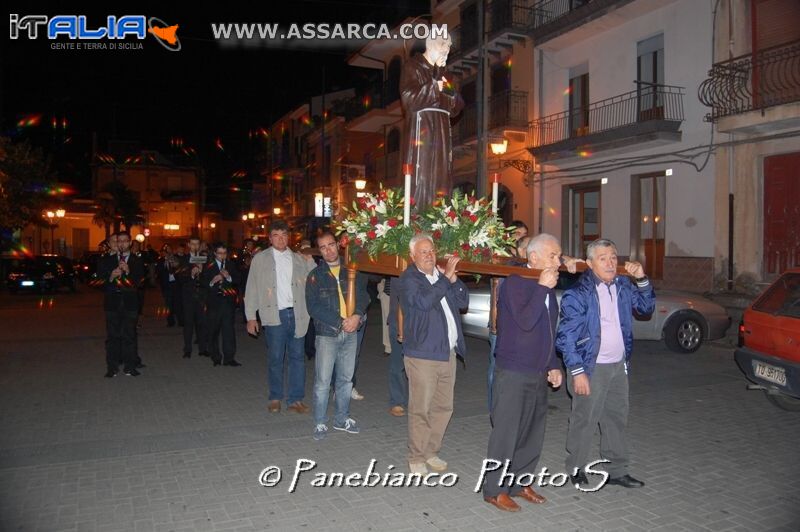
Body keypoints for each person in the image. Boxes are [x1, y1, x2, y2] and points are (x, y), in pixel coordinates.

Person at [556, 238, 655, 489]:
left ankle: (617, 469)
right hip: (590, 367)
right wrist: (577, 371)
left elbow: (646, 308)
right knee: (584, 418)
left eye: (613, 257)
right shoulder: (578, 293)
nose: (610, 263)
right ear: (590, 263)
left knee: (616, 418)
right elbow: (565, 337)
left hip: (617, 365)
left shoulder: (623, 285)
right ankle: (576, 467)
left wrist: (641, 279)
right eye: (603, 258)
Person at [482, 234, 564, 512]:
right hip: (514, 370)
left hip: (538, 371)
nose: (558, 261)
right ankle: (495, 490)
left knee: (532, 432)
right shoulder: (516, 282)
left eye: (559, 256)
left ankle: (520, 483)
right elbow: (526, 322)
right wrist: (541, 288)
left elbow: (548, 330)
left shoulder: (548, 287)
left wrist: (553, 364)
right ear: (534, 257)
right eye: (553, 256)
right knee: (507, 433)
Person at [399, 233, 469, 474]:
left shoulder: (441, 276)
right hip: (422, 356)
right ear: (412, 256)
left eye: (431, 251)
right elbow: (423, 302)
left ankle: (431, 451)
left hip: (447, 353)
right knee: (421, 408)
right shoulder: (409, 279)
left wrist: (455, 281)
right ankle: (416, 456)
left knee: (443, 407)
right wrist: (445, 281)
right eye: (423, 252)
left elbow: (462, 302)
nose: (429, 256)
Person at [245, 219, 316, 414]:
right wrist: (251, 316)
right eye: (276, 235)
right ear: (270, 238)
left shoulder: (298, 258)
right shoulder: (260, 259)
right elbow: (251, 288)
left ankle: (296, 399)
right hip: (274, 315)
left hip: (297, 315)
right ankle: (275, 397)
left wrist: (311, 262)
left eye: (284, 235)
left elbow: (314, 281)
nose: (280, 239)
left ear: (289, 237)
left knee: (297, 358)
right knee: (275, 358)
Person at [305, 231, 369, 440]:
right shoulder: (315, 276)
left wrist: (357, 316)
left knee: (345, 380)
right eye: (323, 247)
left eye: (331, 245)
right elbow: (313, 307)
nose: (328, 250)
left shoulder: (351, 270)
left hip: (351, 333)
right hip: (327, 335)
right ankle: (320, 422)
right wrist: (341, 321)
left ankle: (342, 419)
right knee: (323, 382)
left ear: (338, 246)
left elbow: (364, 296)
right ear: (319, 251)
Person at [400, 32, 464, 208]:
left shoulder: (446, 75)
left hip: (442, 130)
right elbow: (408, 98)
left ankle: (440, 210)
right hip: (422, 128)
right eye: (443, 44)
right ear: (430, 44)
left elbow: (457, 105)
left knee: (441, 172)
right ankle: (418, 210)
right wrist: (434, 87)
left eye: (449, 46)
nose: (447, 50)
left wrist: (451, 95)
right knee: (422, 171)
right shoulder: (412, 67)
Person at [98, 231, 145, 378]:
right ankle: (112, 368)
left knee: (129, 336)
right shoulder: (107, 259)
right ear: (116, 243)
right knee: (113, 336)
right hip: (112, 303)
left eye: (125, 241)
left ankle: (130, 367)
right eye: (119, 241)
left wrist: (129, 271)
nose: (122, 244)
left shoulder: (137, 260)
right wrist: (111, 276)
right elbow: (97, 281)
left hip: (130, 303)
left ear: (130, 243)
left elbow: (141, 282)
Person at [203, 242, 242, 367]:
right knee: (213, 331)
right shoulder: (208, 266)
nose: (222, 256)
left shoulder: (230, 265)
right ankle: (215, 357)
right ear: (215, 253)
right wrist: (212, 282)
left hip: (227, 303)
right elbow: (203, 283)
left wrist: (228, 277)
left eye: (224, 253)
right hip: (214, 302)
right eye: (220, 253)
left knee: (229, 331)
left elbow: (238, 279)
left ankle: (229, 358)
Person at [178, 237, 209, 358]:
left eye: (197, 244)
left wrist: (202, 271)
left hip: (201, 295)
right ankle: (187, 349)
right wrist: (191, 274)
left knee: (202, 323)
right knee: (188, 323)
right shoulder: (184, 259)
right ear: (188, 245)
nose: (195, 246)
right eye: (192, 244)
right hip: (188, 295)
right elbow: (180, 278)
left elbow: (208, 277)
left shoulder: (204, 259)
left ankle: (203, 348)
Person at [386, 276, 408, 417]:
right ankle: (397, 401)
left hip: (420, 321)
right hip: (397, 320)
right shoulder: (398, 266)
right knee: (397, 362)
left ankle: (419, 401)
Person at [156, 245, 182, 327]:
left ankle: (181, 321)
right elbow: (159, 272)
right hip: (166, 284)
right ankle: (170, 321)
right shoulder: (161, 261)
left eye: (168, 250)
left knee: (178, 303)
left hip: (176, 283)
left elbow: (179, 268)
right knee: (168, 304)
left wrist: (175, 265)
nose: (166, 253)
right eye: (165, 251)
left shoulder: (175, 259)